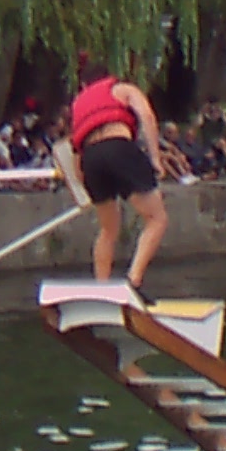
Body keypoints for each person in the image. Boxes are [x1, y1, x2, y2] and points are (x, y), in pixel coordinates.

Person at [67, 60, 168, 294]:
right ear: (108, 76)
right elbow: (147, 117)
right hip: (118, 147)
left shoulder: (78, 104)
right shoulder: (123, 89)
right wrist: (155, 158)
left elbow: (74, 149)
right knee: (157, 219)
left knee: (108, 229)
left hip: (90, 159)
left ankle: (101, 288)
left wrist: (83, 183)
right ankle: (133, 282)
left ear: (84, 84)